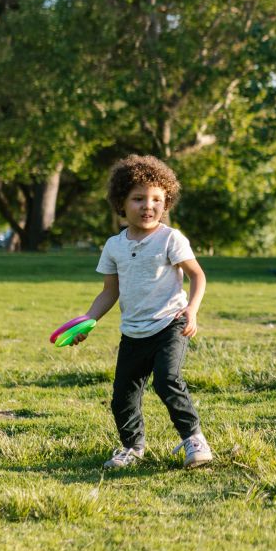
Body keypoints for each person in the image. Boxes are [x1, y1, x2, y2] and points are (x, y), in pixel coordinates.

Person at [72, 155, 213, 469]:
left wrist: (192, 310)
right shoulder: (114, 246)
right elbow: (109, 292)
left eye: (156, 199)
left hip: (170, 324)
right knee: (123, 396)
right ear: (121, 203)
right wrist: (87, 321)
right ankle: (132, 448)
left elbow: (197, 276)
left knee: (167, 380)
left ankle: (194, 440)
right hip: (133, 332)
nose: (148, 206)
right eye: (138, 199)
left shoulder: (170, 239)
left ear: (166, 202)